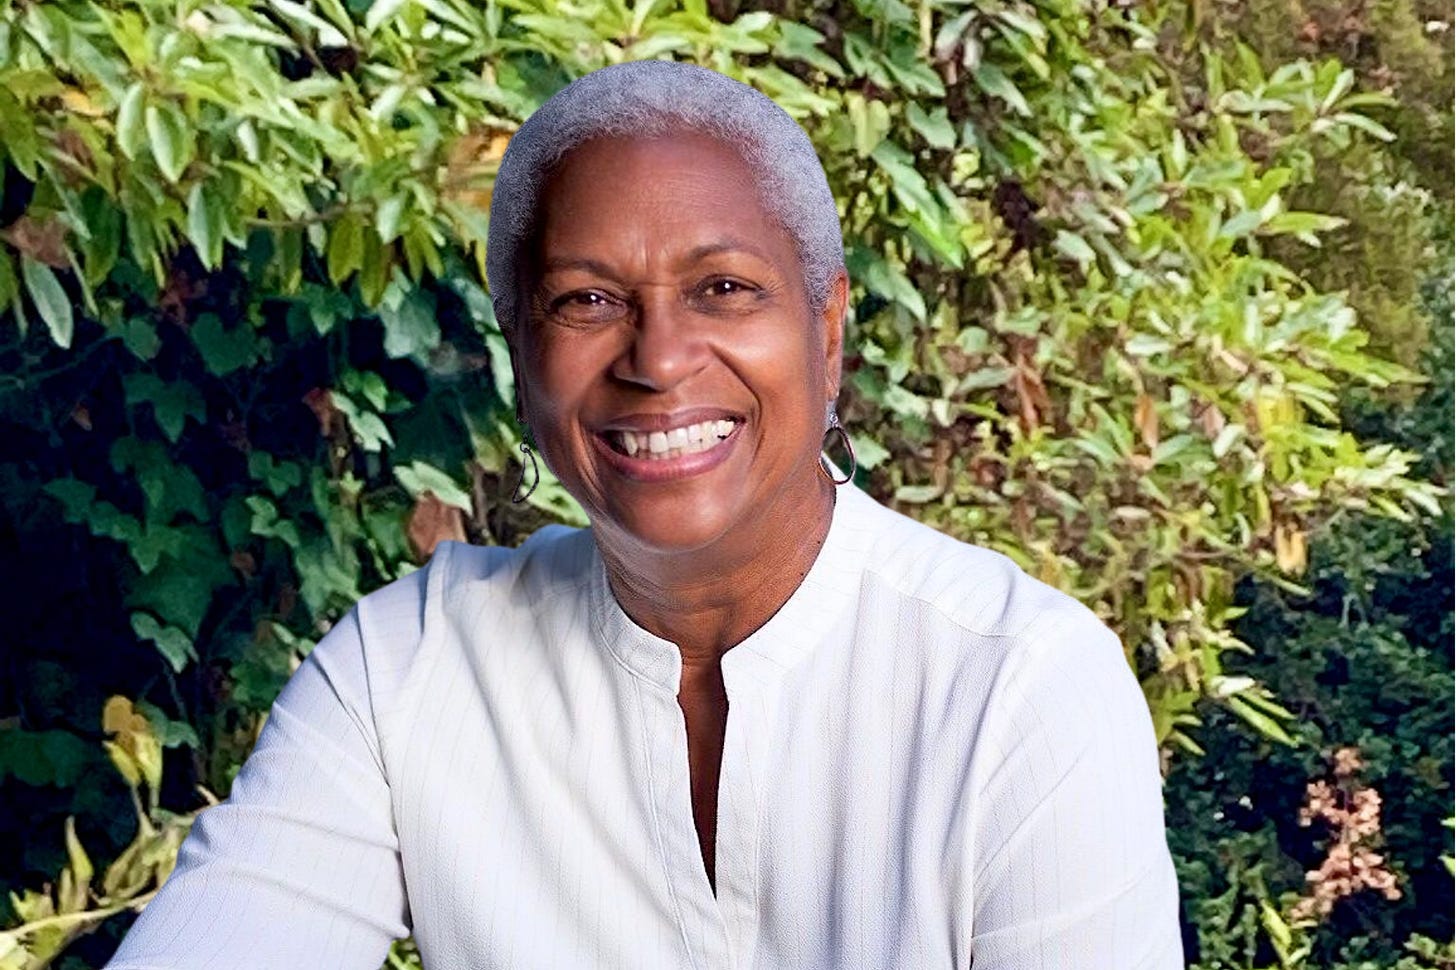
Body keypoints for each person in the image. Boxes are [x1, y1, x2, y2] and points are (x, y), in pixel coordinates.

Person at [106, 60, 1182, 969]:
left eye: (723, 289)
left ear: (828, 327)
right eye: (586, 301)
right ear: (520, 353)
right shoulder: (411, 671)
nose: (658, 359)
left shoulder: (1017, 687)